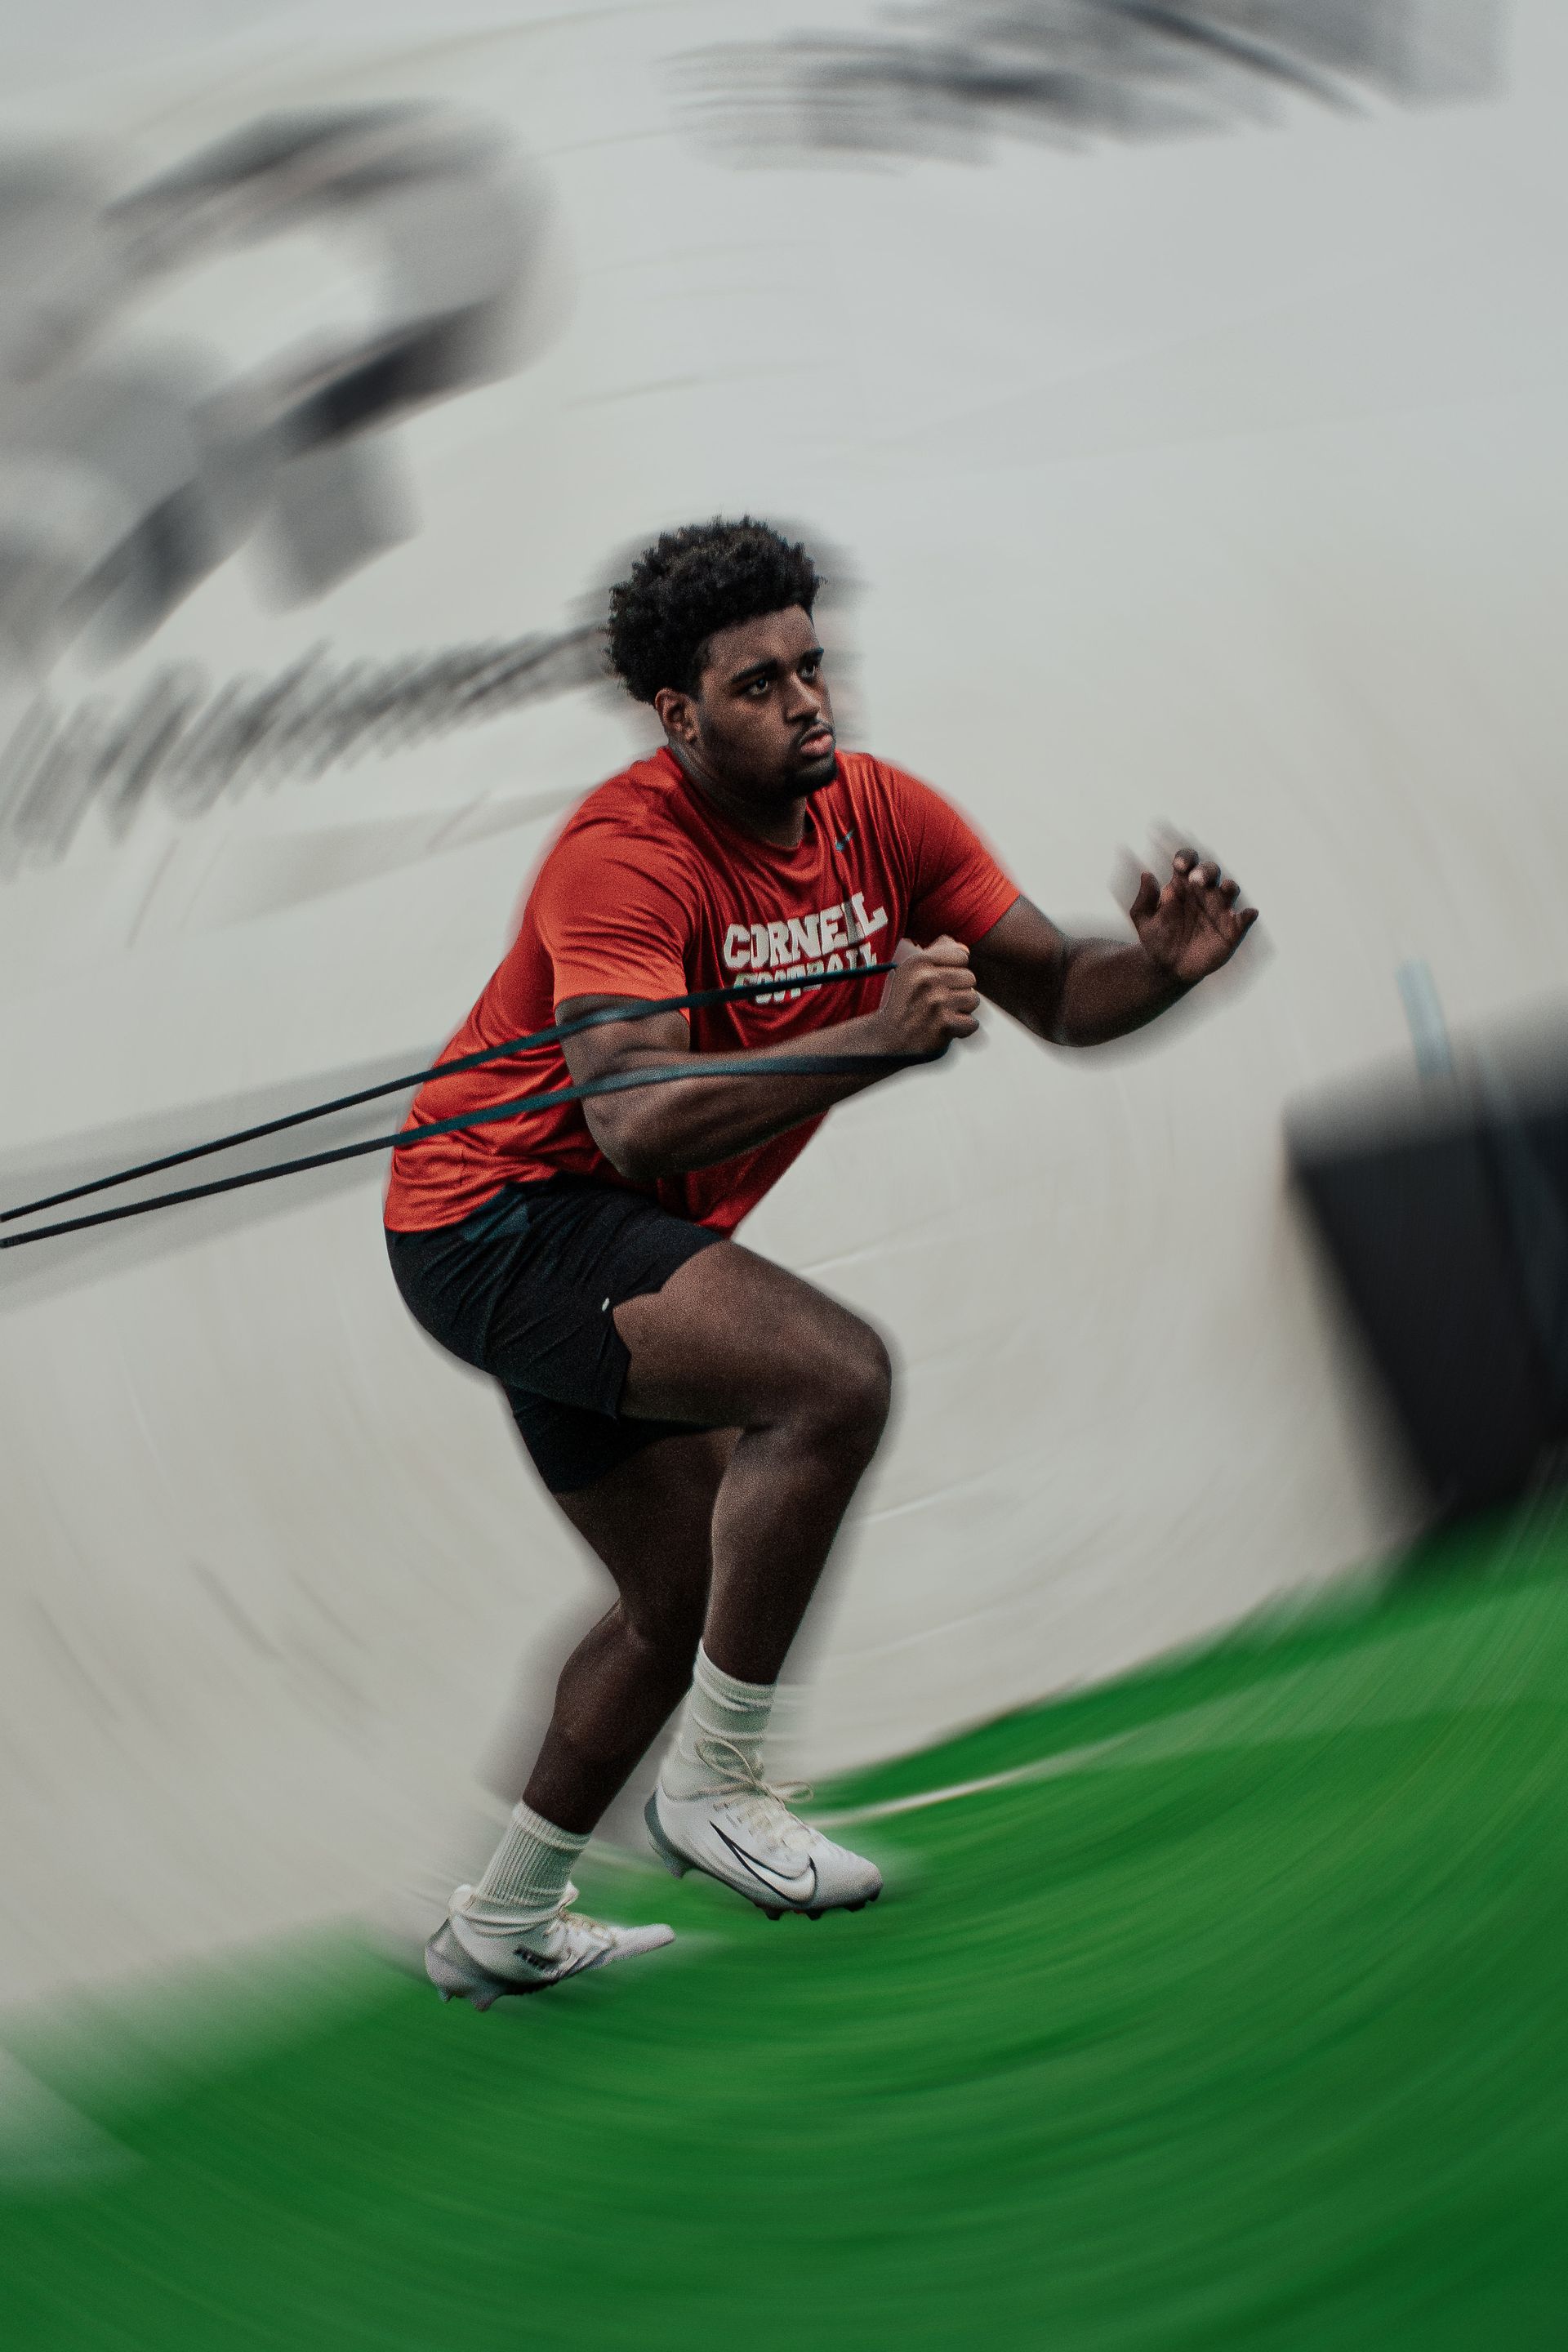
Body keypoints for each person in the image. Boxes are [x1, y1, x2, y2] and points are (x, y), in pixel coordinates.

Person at [385, 517, 1257, 2007]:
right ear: (677, 714)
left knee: (673, 1601)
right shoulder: (623, 854)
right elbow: (638, 1122)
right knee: (833, 1380)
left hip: (605, 1236)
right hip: (495, 1218)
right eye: (758, 684)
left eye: (814, 666)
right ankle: (717, 1792)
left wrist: (1159, 975)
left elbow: (1057, 991)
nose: (808, 703)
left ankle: (502, 1922)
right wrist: (868, 1041)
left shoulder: (882, 817)